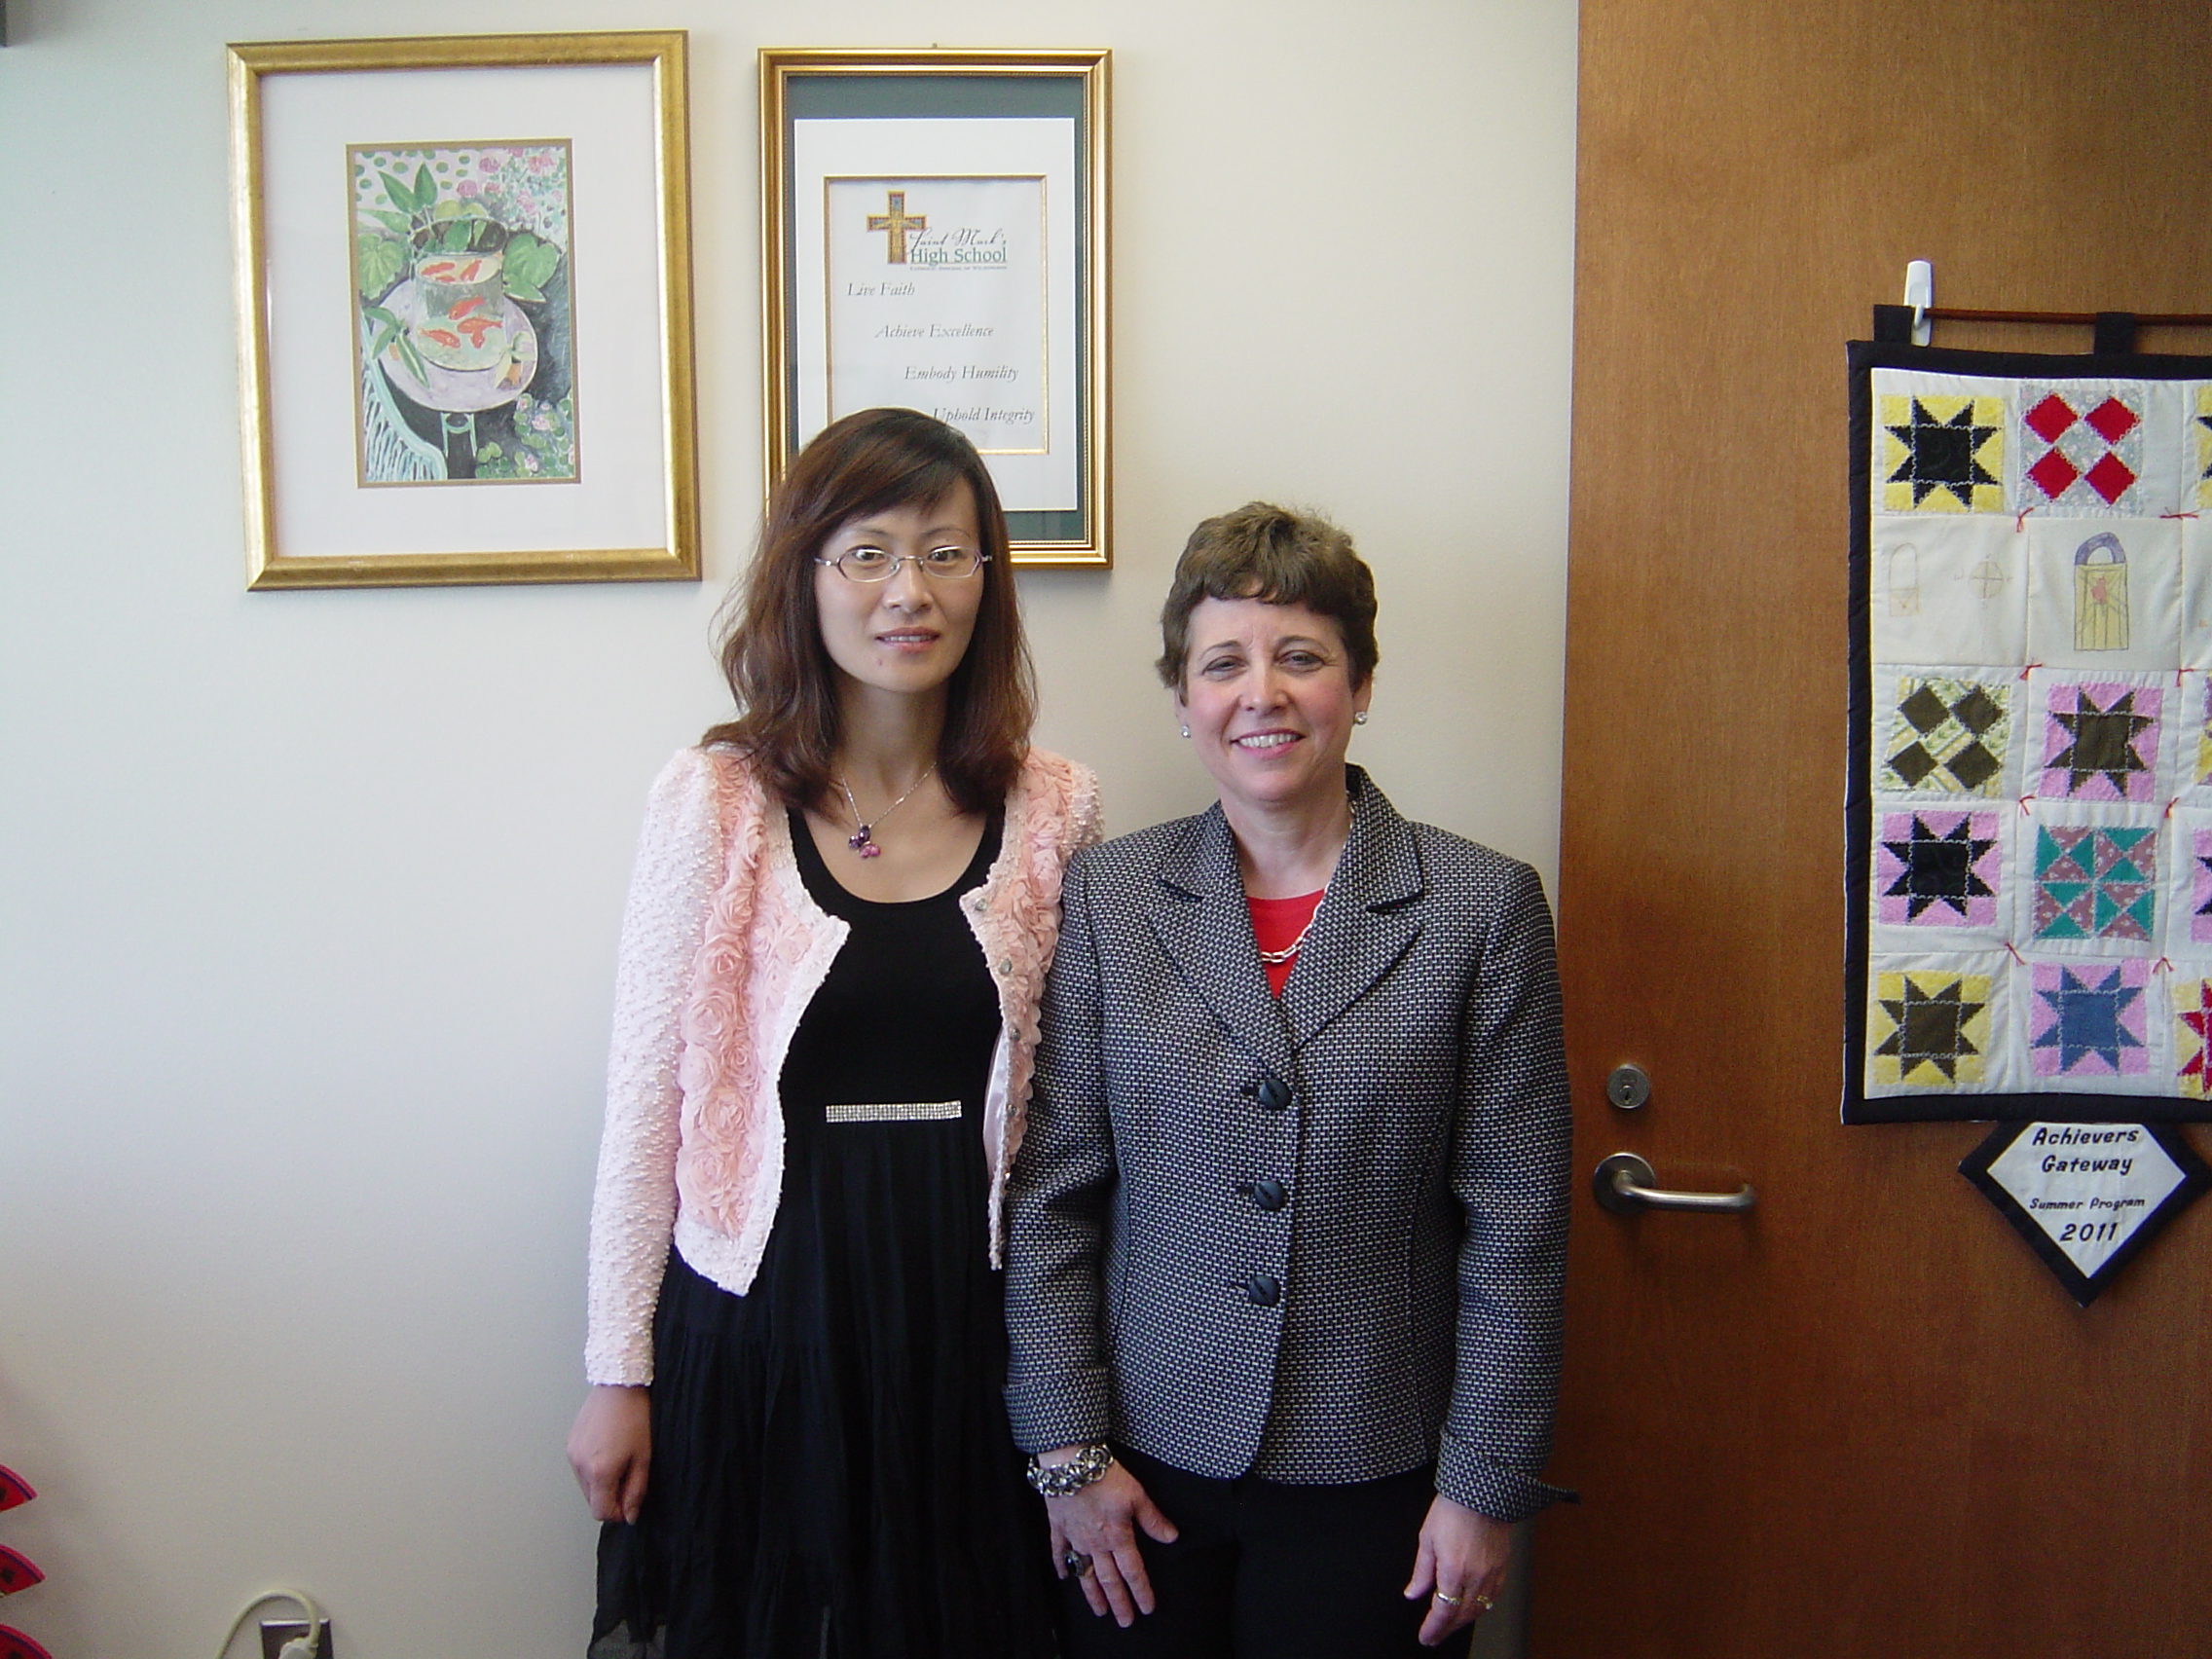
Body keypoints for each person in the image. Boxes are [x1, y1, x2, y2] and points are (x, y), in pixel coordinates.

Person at [569, 407, 1100, 1659]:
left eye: (945, 553)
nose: (909, 591)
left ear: (986, 579)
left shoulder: (1055, 807)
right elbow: (644, 1101)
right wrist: (616, 1372)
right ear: (804, 576)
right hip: (762, 1309)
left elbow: (1073, 1115)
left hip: (965, 1314)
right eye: (867, 553)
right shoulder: (715, 799)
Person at [1002, 502, 1572, 1657]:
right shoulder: (1109, 897)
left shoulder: (1482, 907)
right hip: (1138, 1468)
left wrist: (1484, 1484)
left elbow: (1519, 1227)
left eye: (1301, 657)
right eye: (1223, 664)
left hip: (1379, 1471)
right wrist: (1066, 1452)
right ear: (1183, 700)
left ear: (1359, 685)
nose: (1260, 694)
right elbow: (1053, 1197)